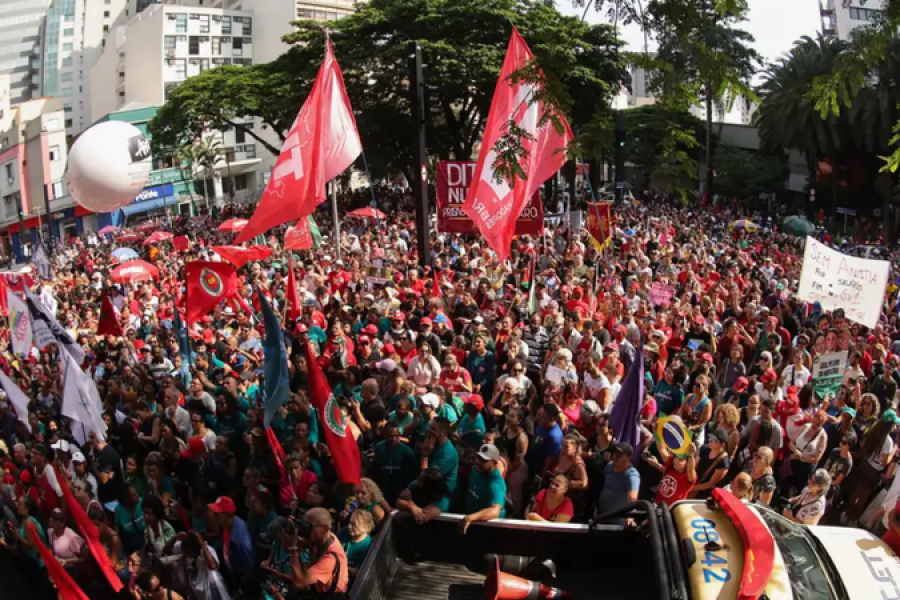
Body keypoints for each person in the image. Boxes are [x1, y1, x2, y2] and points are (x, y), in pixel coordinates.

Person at [284, 507, 349, 596]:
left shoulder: (330, 558)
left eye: (309, 526)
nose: (306, 530)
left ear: (325, 528)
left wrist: (293, 548)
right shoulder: (322, 537)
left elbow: (299, 583)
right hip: (319, 590)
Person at [460, 444, 507, 534]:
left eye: (483, 460)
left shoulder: (496, 482)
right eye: (478, 457)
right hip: (469, 525)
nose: (478, 462)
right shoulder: (475, 469)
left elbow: (495, 510)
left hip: (488, 529)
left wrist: (471, 518)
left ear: (494, 462)